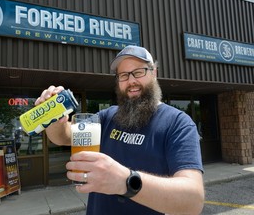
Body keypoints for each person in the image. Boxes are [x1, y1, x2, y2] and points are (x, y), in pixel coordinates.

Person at [35, 45, 205, 215]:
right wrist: (55, 119)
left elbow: (193, 201)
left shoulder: (178, 123)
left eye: (139, 72)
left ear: (154, 73)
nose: (131, 81)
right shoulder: (107, 117)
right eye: (123, 75)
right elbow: (63, 137)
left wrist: (125, 181)